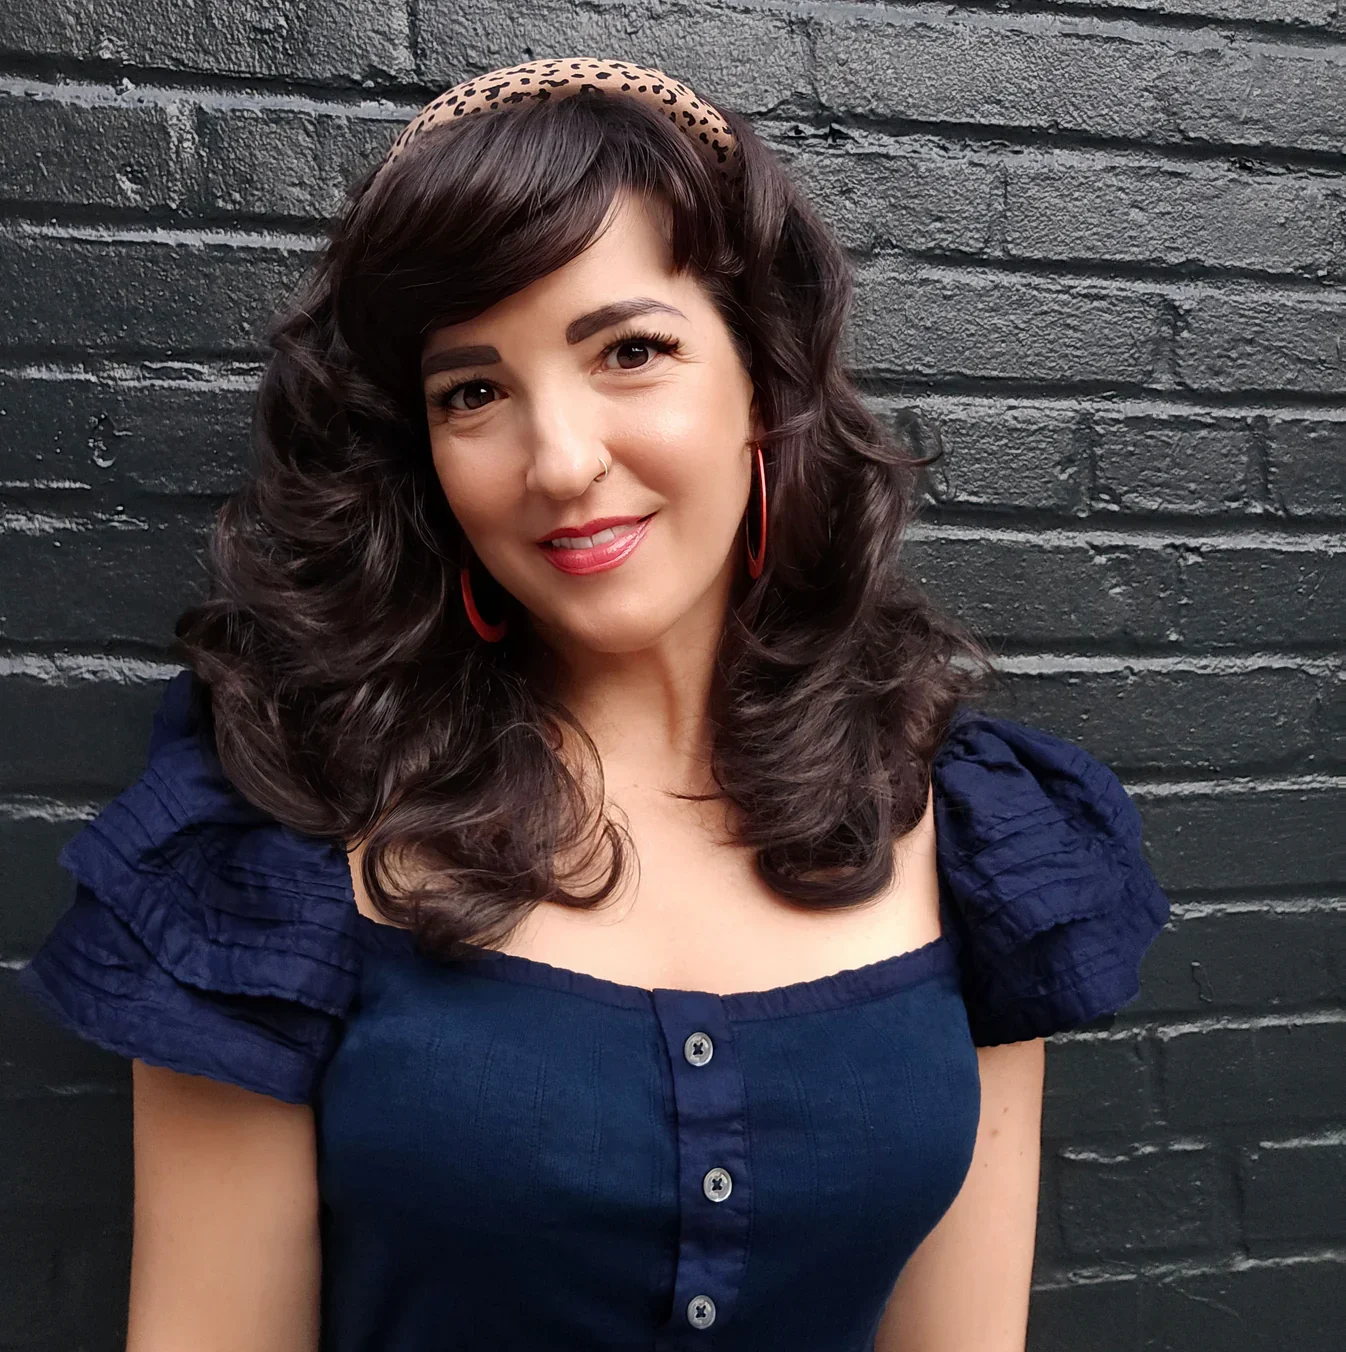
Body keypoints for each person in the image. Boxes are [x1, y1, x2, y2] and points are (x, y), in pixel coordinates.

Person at [18, 57, 1171, 1352]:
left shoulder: (971, 833)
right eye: (472, 392)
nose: (561, 462)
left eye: (631, 351)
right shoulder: (278, 837)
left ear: (763, 382)